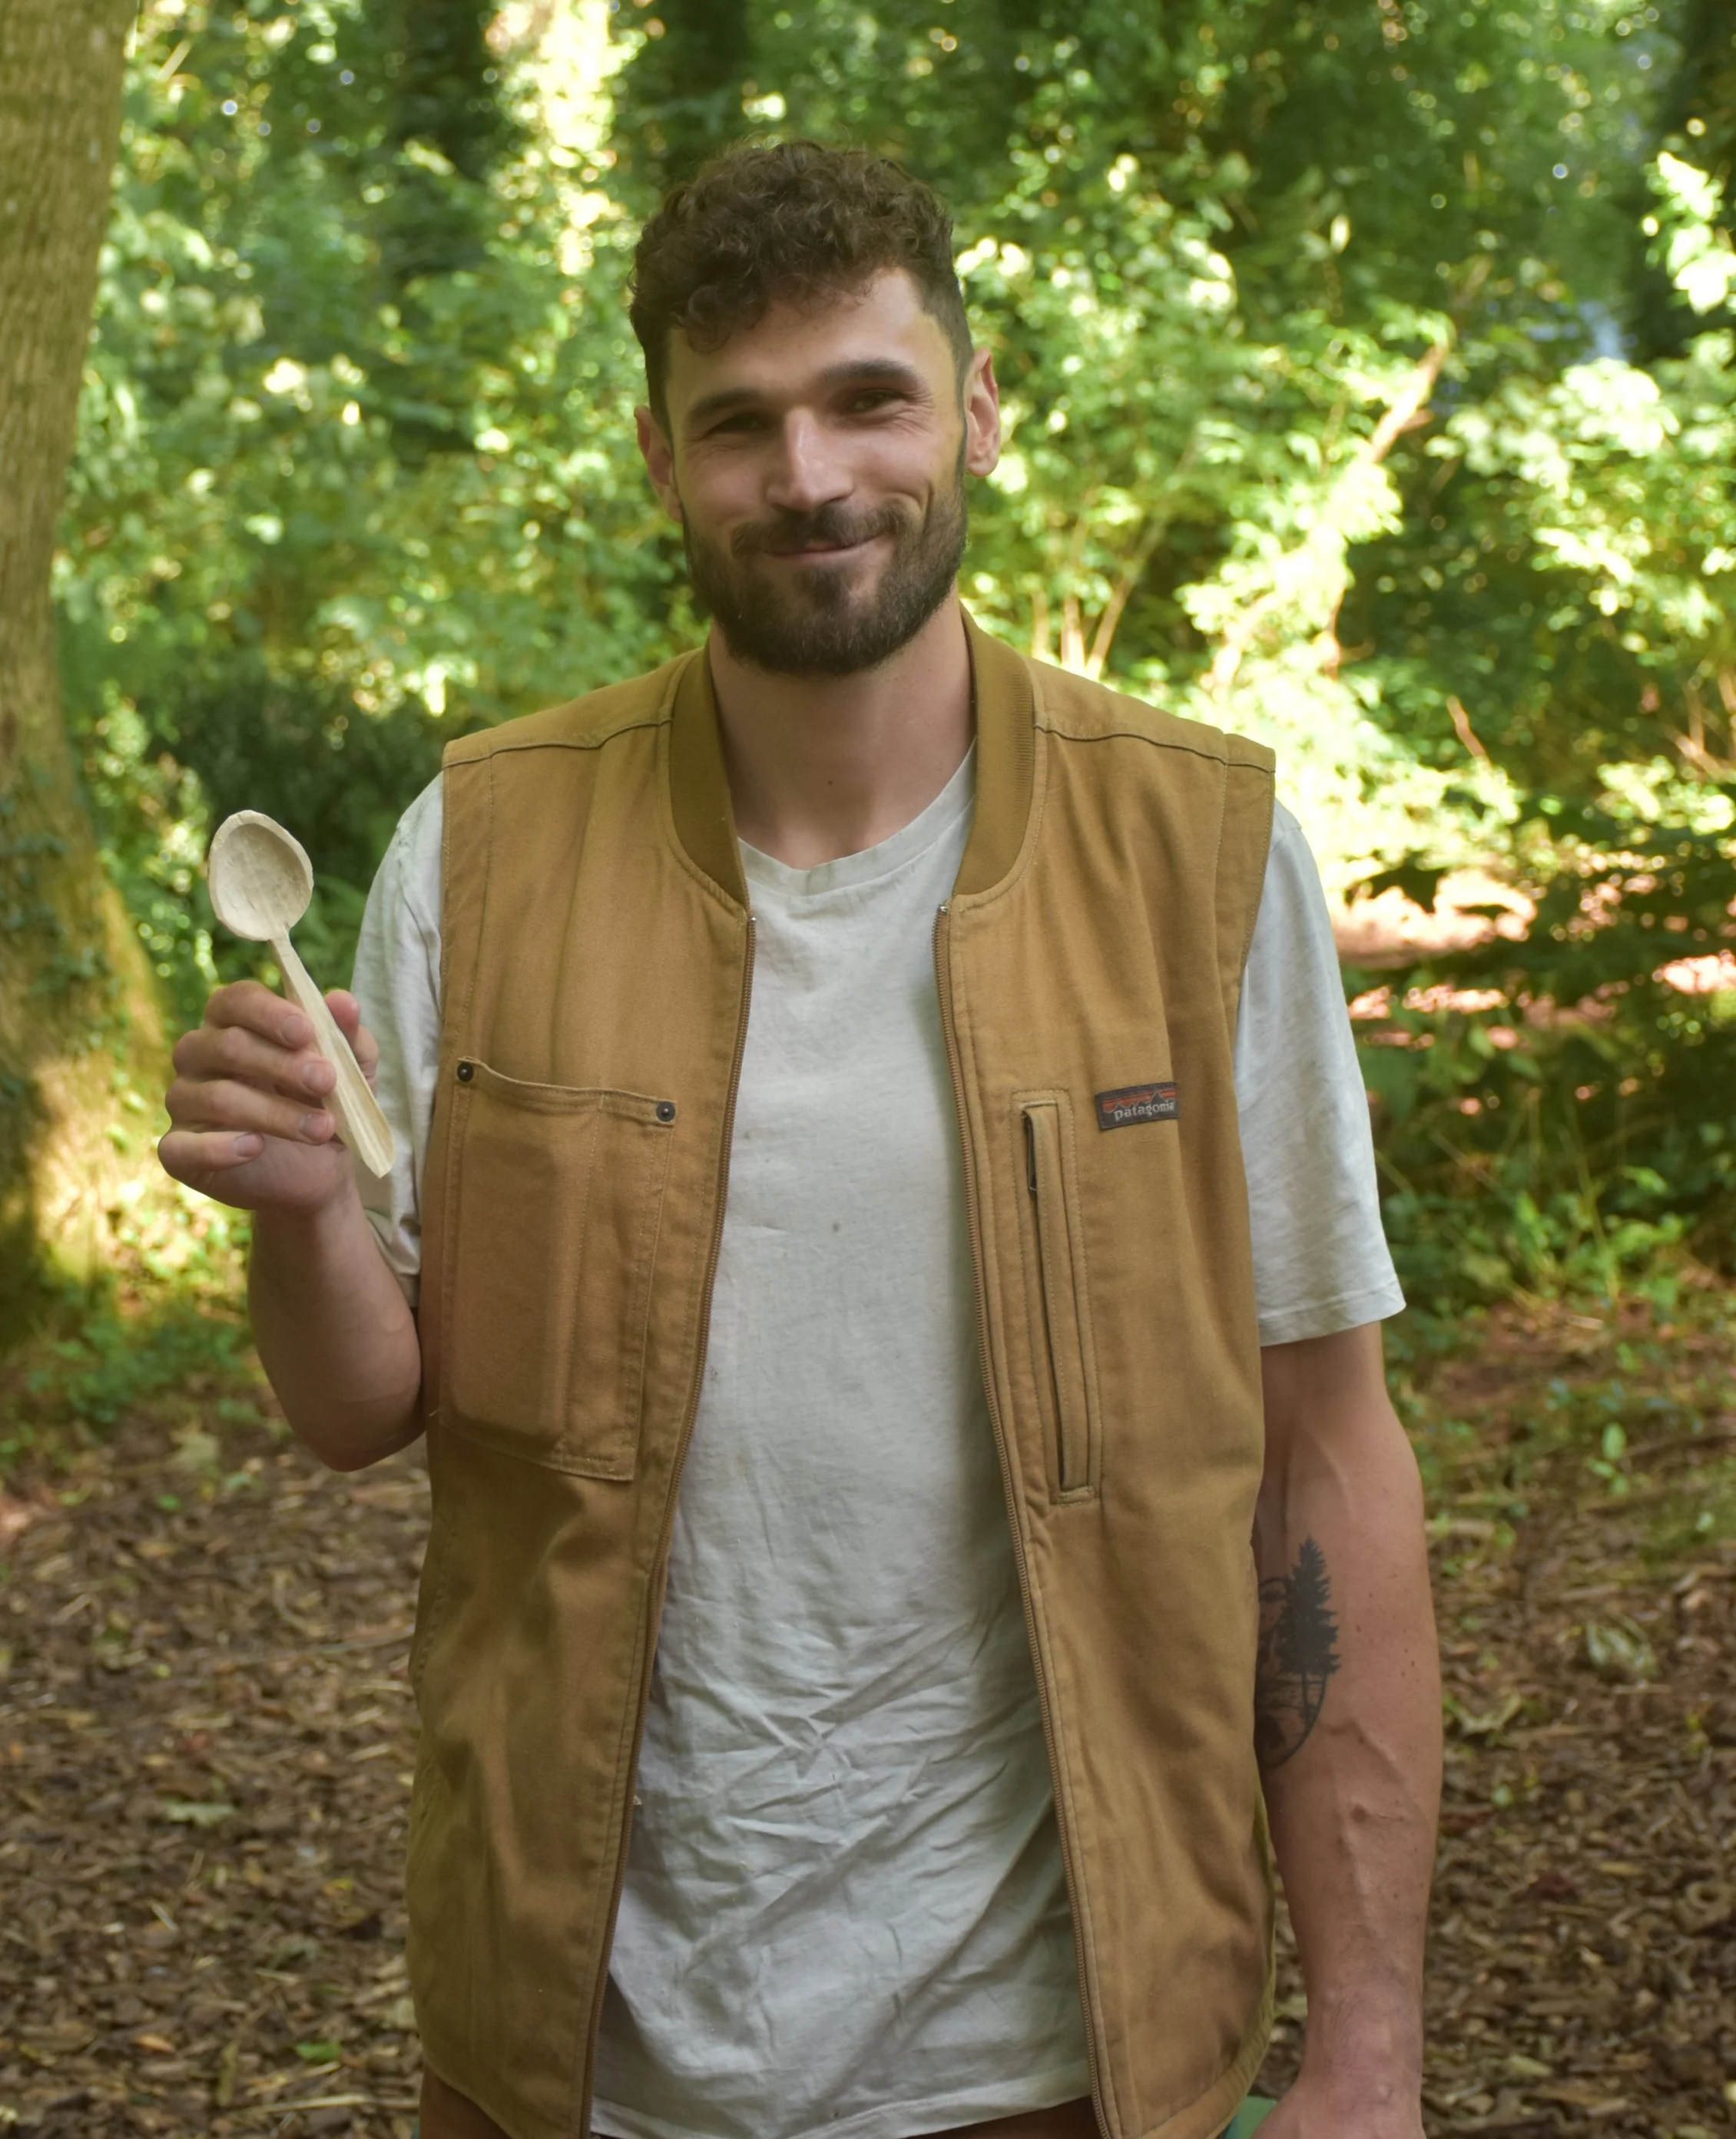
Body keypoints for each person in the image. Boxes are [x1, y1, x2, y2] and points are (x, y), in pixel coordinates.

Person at [158, 142, 1440, 2139]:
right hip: (579, 2069)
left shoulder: (1194, 860)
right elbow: (359, 1405)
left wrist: (1365, 2042)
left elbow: (1320, 1451)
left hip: (1059, 2065)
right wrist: (302, 1215)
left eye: (868, 398)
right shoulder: (478, 855)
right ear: (660, 460)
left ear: (978, 408)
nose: (813, 476)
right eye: (738, 423)